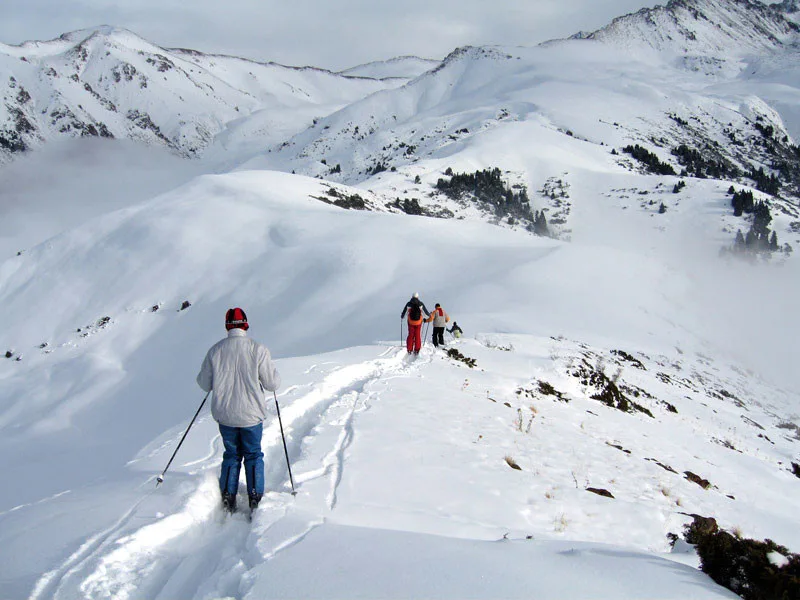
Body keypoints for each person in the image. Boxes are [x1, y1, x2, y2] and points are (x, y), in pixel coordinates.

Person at [197, 307, 281, 513]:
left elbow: (204, 384)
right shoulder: (258, 349)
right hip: (251, 414)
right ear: (245, 325)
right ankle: (255, 496)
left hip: (225, 414)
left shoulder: (215, 351)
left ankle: (228, 495)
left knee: (232, 454)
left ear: (227, 326)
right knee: (253, 454)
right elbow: (272, 384)